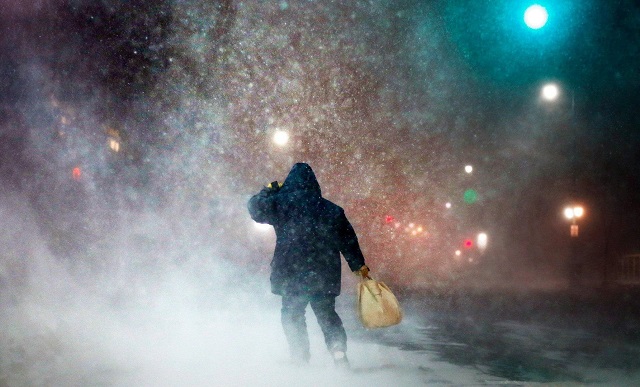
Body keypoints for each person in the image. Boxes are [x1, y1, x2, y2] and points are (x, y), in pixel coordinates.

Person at [248, 163, 369, 367]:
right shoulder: (332, 210)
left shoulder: (281, 204)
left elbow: (255, 208)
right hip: (324, 271)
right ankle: (338, 352)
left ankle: (300, 357)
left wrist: (269, 189)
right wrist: (358, 265)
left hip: (291, 271)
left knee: (292, 313)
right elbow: (348, 240)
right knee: (327, 314)